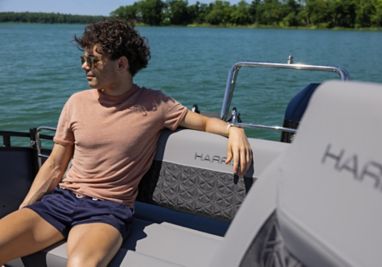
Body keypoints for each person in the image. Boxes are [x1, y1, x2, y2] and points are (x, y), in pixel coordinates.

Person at [0, 19, 252, 266]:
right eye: (83, 60)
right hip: (61, 200)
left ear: (121, 64)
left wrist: (234, 130)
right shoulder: (76, 102)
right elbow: (55, 164)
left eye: (93, 61)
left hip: (107, 209)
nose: (84, 67)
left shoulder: (156, 104)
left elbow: (205, 123)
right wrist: (25, 209)